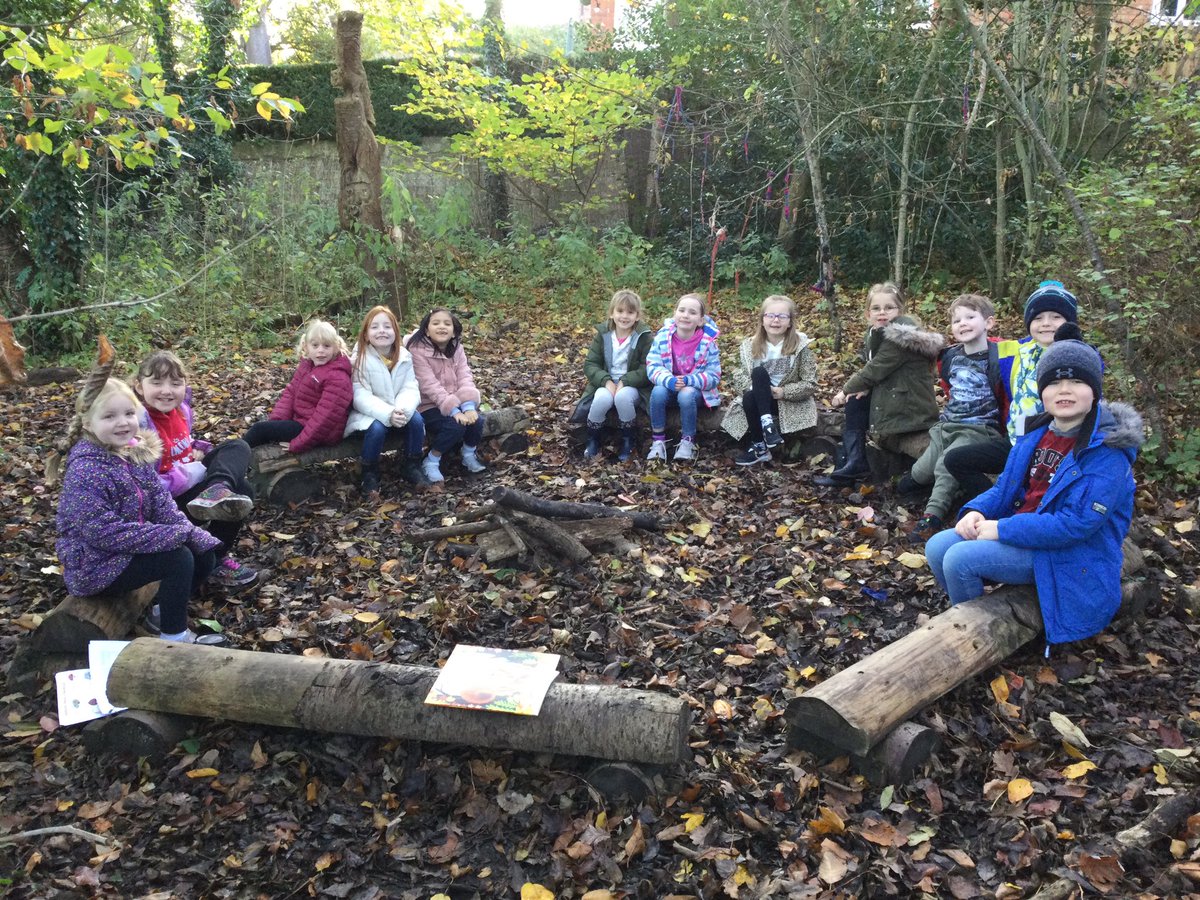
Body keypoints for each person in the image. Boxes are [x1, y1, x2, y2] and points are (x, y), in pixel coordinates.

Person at [925, 326, 1142, 649]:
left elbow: (1075, 525)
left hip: (1070, 553)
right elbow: (1005, 488)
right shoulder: (1037, 432)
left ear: (1095, 390)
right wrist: (977, 510)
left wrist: (1002, 529)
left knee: (960, 559)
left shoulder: (1106, 452)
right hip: (1028, 533)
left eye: (1077, 381)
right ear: (1042, 391)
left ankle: (978, 641)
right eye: (1053, 382)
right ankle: (974, 617)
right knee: (937, 546)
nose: (1064, 390)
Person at [55, 354, 224, 645]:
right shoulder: (86, 470)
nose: (122, 423)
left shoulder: (134, 453)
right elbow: (103, 533)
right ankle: (174, 637)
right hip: (95, 564)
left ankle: (161, 613)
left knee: (203, 551)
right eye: (109, 417)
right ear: (88, 423)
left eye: (129, 414)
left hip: (126, 548)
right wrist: (172, 536)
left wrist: (189, 531)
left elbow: (162, 503)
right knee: (178, 558)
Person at [942, 280, 1079, 499]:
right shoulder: (1017, 351)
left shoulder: (1076, 357)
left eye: (1056, 317)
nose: (1046, 324)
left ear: (1069, 322)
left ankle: (1012, 505)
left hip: (1052, 446)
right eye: (1038, 318)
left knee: (1032, 492)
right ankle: (992, 502)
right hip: (1016, 440)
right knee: (956, 460)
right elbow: (982, 344)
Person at [133, 350, 258, 590]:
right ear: (140, 386)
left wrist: (198, 448)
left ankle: (218, 492)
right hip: (164, 506)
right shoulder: (137, 423)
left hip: (188, 482)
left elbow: (181, 443)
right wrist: (189, 473)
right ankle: (210, 555)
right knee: (242, 487)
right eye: (157, 383)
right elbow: (144, 485)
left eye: (175, 383)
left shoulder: (181, 411)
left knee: (238, 450)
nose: (167, 391)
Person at [903, 293, 1011, 538]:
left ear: (989, 322)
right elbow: (950, 389)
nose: (963, 323)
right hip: (949, 425)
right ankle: (954, 490)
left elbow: (1006, 396)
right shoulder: (951, 356)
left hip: (979, 429)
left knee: (946, 464)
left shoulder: (999, 358)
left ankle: (932, 516)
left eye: (970, 317)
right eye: (957, 320)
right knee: (920, 473)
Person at [815, 283, 942, 486]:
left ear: (900, 311)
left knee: (852, 395)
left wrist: (844, 390)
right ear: (868, 313)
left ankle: (855, 463)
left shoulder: (901, 338)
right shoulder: (877, 333)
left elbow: (875, 369)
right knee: (856, 400)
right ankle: (854, 462)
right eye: (876, 308)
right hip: (894, 396)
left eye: (889, 308)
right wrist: (863, 388)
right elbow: (883, 371)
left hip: (911, 409)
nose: (882, 312)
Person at [722, 294, 818, 466]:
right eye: (770, 315)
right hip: (759, 398)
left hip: (786, 401)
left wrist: (783, 392)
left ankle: (763, 437)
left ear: (790, 322)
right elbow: (740, 377)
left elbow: (810, 383)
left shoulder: (800, 346)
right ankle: (763, 440)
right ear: (762, 320)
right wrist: (760, 390)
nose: (776, 320)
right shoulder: (750, 346)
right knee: (756, 379)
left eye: (782, 316)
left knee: (757, 380)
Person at [345, 305, 429, 496]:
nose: (381, 331)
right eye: (374, 327)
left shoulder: (404, 357)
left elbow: (410, 387)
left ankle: (412, 464)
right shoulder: (360, 359)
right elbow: (360, 395)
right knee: (377, 428)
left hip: (398, 412)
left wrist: (402, 410)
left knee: (416, 420)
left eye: (387, 326)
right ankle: (369, 471)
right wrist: (387, 413)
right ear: (366, 335)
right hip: (368, 414)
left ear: (395, 332)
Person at [244, 319, 353, 456]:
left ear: (335, 348)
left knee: (259, 430)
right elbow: (290, 394)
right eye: (315, 345)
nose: (320, 350)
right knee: (263, 431)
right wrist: (277, 421)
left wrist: (299, 443)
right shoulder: (307, 366)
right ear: (306, 347)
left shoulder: (338, 377)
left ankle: (232, 461)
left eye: (326, 346)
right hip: (301, 422)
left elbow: (324, 420)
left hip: (322, 433)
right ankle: (230, 458)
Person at [406, 307, 487, 483]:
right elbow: (429, 385)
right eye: (436, 323)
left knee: (477, 421)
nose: (441, 327)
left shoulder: (457, 349)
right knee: (455, 425)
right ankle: (432, 460)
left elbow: (464, 376)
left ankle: (468, 454)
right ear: (427, 331)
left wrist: (467, 406)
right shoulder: (417, 351)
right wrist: (454, 411)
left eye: (447, 324)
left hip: (456, 399)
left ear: (453, 331)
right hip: (428, 405)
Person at [576, 289, 652, 462]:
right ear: (612, 313)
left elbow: (647, 367)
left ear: (637, 316)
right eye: (620, 311)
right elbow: (591, 364)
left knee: (623, 397)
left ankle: (628, 440)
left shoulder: (643, 337)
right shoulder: (603, 335)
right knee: (601, 399)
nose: (624, 316)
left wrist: (626, 381)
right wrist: (605, 381)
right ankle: (593, 439)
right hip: (607, 381)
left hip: (633, 384)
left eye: (630, 312)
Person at [646, 292, 721, 462]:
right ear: (675, 314)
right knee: (658, 391)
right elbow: (653, 365)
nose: (685, 315)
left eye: (692, 312)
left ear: (701, 320)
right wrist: (669, 380)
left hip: (696, 392)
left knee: (686, 394)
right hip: (670, 386)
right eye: (682, 310)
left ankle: (688, 441)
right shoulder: (663, 337)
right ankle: (658, 441)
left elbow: (714, 376)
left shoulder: (708, 343)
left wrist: (689, 381)